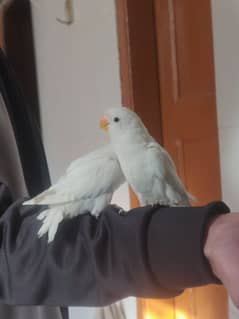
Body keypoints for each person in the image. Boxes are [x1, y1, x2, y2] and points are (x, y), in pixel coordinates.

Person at [0, 30, 239, 319]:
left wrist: (198, 234)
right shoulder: (114, 159)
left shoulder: (147, 156)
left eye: (114, 121)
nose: (106, 124)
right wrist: (195, 237)